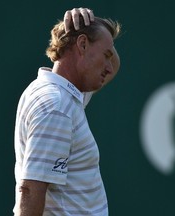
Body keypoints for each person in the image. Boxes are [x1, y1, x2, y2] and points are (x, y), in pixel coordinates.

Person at [13, 7, 121, 216]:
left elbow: (114, 67)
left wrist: (96, 28)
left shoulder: (63, 94)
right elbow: (29, 190)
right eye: (105, 55)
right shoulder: (57, 106)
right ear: (82, 44)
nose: (108, 66)